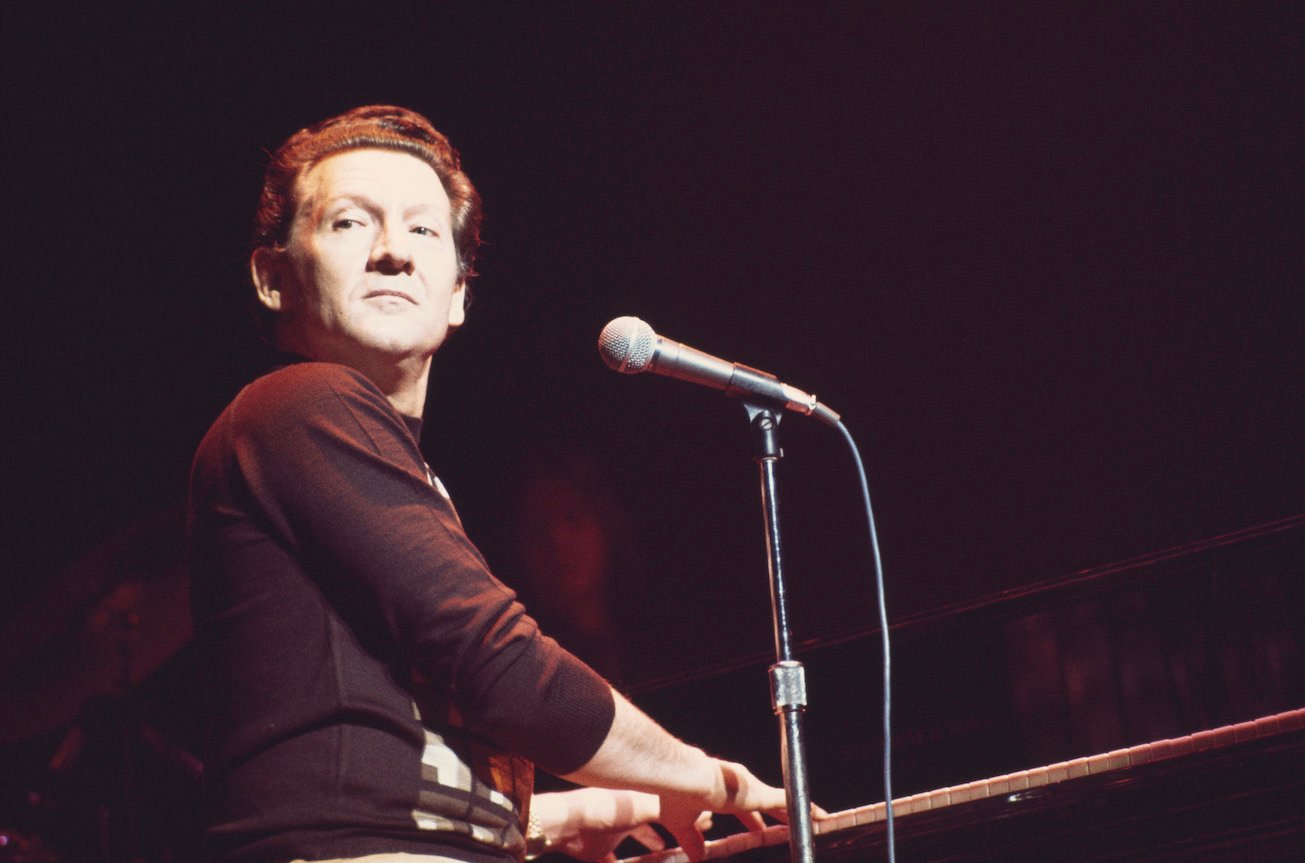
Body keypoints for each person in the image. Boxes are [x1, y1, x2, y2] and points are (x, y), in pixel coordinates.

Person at [188, 105, 796, 863]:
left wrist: (556, 814)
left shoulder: (375, 455)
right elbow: (497, 666)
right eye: (349, 223)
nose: (392, 253)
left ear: (459, 294)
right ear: (273, 277)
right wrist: (707, 778)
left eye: (422, 230)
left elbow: (363, 752)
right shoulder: (300, 404)